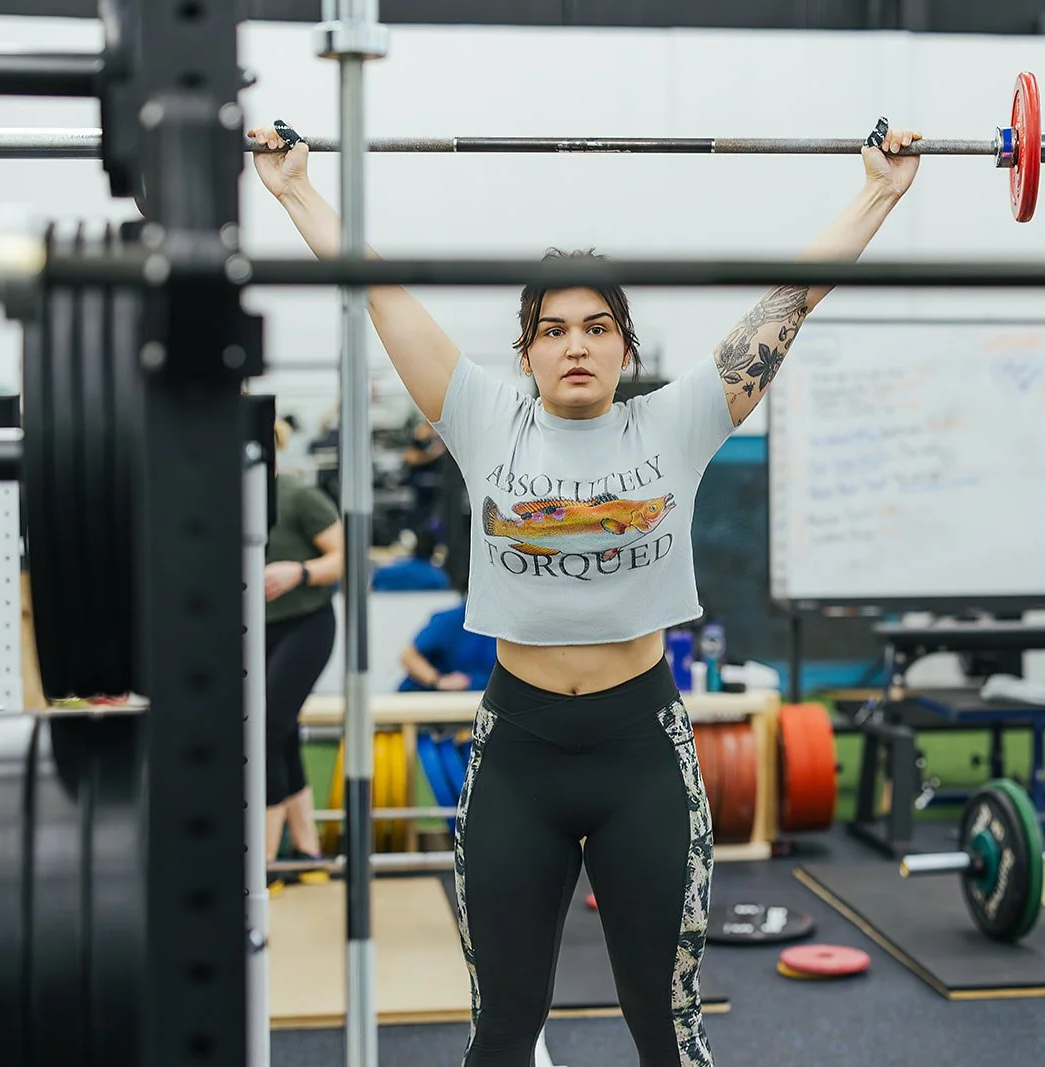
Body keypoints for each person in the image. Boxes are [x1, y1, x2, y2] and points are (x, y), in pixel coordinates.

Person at [248, 117, 923, 1066]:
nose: (576, 346)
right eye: (553, 330)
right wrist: (292, 190)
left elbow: (791, 299)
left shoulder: (679, 422)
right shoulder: (479, 417)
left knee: (669, 1034)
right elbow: (379, 290)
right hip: (515, 752)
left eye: (597, 328)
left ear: (624, 346)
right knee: (502, 1034)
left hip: (642, 753)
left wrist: (880, 192)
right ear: (525, 351)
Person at [263, 423, 345, 866]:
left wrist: (300, 572)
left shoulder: (296, 497)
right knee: (283, 730)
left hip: (306, 625)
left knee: (266, 729)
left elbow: (344, 556)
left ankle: (265, 861)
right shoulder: (227, 500)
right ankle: (308, 849)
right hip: (260, 630)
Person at [399, 584, 496, 693]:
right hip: (438, 698)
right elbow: (409, 656)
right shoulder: (450, 620)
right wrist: (437, 680)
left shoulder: (504, 627)